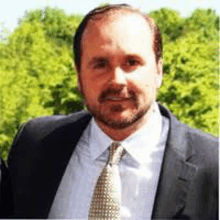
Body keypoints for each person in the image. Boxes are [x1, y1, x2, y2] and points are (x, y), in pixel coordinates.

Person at [7, 4, 218, 220]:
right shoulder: (34, 145)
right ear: (79, 75)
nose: (117, 80)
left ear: (158, 70)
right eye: (100, 64)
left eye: (131, 62)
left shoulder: (213, 165)